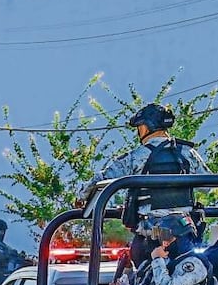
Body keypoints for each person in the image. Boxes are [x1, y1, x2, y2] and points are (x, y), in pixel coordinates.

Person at [79, 103, 211, 268]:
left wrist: (81, 196)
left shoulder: (137, 156)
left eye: (140, 126)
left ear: (146, 127)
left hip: (150, 237)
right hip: (185, 236)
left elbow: (102, 179)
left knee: (141, 281)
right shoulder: (187, 153)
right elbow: (207, 185)